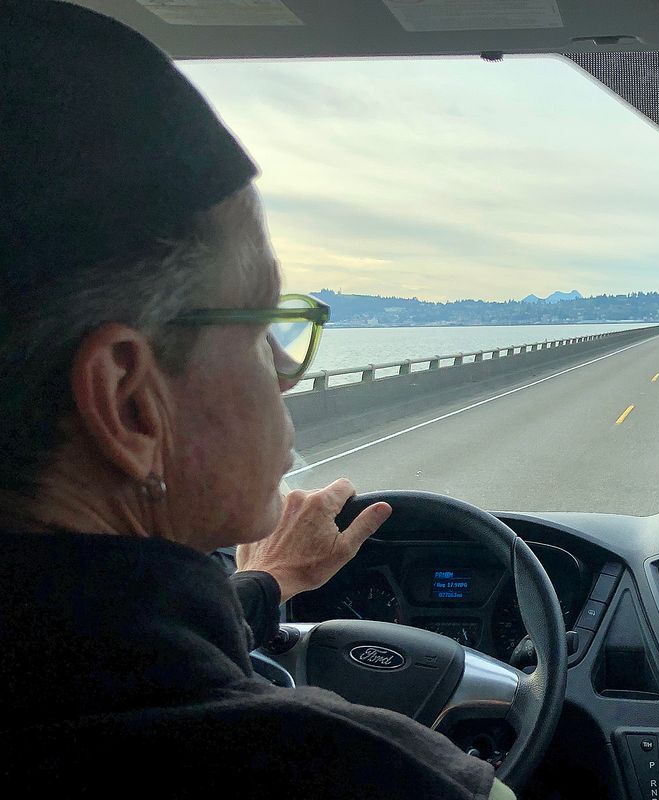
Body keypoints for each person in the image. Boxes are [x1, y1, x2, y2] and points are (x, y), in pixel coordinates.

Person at [0, 2, 513, 798]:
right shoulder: (372, 775)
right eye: (261, 322)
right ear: (132, 405)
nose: (287, 370)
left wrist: (265, 586)